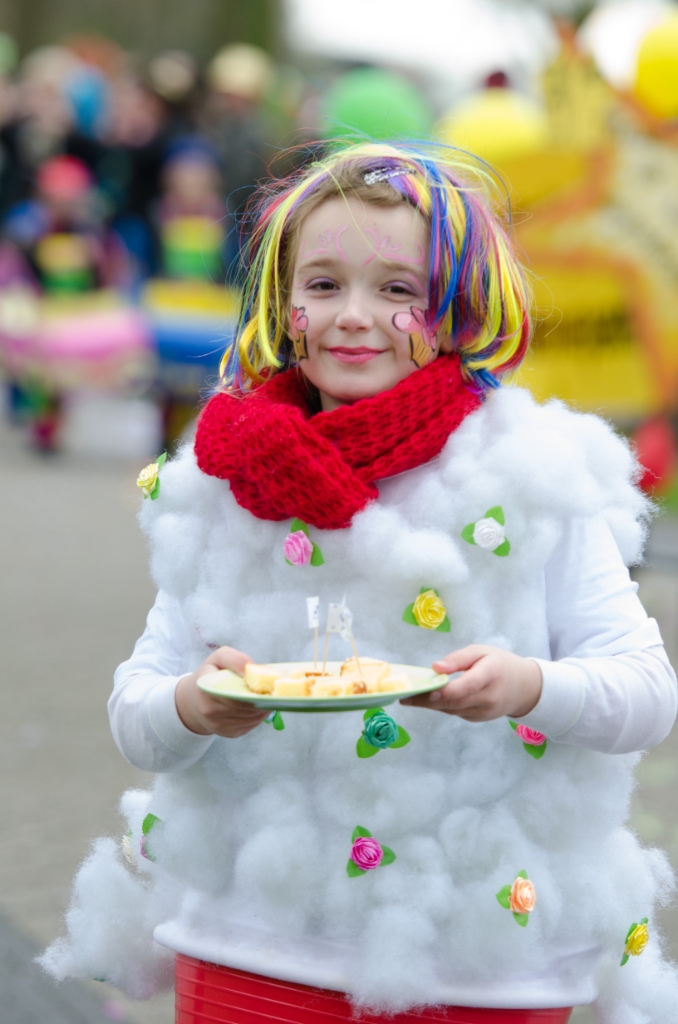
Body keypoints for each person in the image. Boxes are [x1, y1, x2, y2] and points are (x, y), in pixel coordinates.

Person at [41, 142, 678, 1023]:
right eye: (324, 284)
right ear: (286, 303)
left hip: (477, 963)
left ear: (453, 310)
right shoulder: (226, 477)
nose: (353, 317)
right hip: (246, 947)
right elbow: (137, 717)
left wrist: (528, 686)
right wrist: (194, 704)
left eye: (397, 291)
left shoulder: (533, 476)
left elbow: (647, 694)